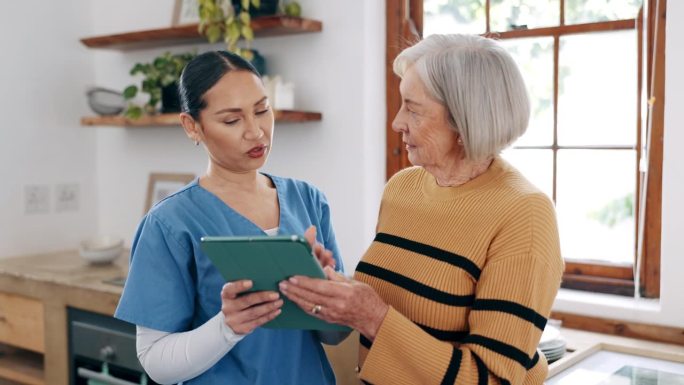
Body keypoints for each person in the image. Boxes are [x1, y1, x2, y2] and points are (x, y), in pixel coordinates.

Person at [279, 34, 564, 385]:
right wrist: (332, 288)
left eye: (413, 109)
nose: (397, 122)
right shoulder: (404, 187)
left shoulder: (524, 215)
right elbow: (395, 301)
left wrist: (374, 317)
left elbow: (491, 380)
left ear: (463, 121)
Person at [114, 50, 345, 385]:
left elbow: (335, 337)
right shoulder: (171, 223)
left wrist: (324, 295)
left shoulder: (308, 200)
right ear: (192, 126)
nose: (256, 132)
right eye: (232, 120)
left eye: (262, 111)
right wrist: (227, 326)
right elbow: (156, 361)